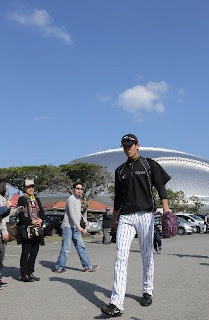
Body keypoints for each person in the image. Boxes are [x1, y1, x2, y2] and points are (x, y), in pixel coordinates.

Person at [101, 134, 171, 317]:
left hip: (146, 215)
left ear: (138, 145)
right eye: (125, 146)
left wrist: (166, 209)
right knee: (120, 257)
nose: (128, 148)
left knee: (147, 256)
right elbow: (117, 198)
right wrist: (115, 221)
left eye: (131, 145)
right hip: (126, 216)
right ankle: (116, 303)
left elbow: (160, 186)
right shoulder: (120, 170)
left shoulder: (149, 164)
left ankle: (147, 290)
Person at [54, 182, 99, 273]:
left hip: (75, 227)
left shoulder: (79, 200)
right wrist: (79, 227)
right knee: (66, 248)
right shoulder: (71, 199)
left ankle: (87, 266)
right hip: (68, 227)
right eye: (78, 188)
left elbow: (78, 213)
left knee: (81, 247)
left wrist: (84, 219)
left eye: (81, 189)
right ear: (74, 189)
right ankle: (59, 267)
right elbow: (72, 214)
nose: (79, 190)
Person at [17, 179, 45, 282]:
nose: (31, 189)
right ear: (24, 188)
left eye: (32, 186)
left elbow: (41, 211)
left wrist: (40, 220)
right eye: (29, 187)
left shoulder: (36, 199)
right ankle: (23, 274)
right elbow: (21, 215)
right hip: (27, 229)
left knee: (34, 251)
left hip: (37, 229)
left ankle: (30, 272)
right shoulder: (22, 199)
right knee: (26, 251)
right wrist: (31, 222)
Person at [0, 179, 23, 289]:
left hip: (2, 230)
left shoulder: (3, 198)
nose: (8, 187)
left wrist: (17, 209)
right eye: (6, 185)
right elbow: (2, 217)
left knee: (2, 255)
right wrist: (4, 232)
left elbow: (6, 214)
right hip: (1, 230)